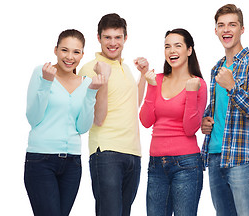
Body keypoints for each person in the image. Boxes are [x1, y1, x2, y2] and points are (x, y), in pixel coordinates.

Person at [24, 29, 104, 216]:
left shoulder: (86, 83)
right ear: (56, 50)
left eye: (76, 52)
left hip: (72, 164)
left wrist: (92, 92)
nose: (70, 57)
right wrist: (46, 82)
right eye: (64, 50)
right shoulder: (41, 73)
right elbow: (33, 118)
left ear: (82, 54)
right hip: (40, 159)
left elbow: (82, 128)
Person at [200, 4, 249, 216]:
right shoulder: (216, 68)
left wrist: (232, 86)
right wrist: (205, 120)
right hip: (215, 155)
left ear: (242, 29)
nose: (226, 30)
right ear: (215, 31)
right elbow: (216, 108)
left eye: (232, 24)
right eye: (221, 25)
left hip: (242, 157)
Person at [78, 13, 149, 216]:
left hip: (133, 153)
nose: (112, 43)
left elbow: (134, 102)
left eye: (117, 37)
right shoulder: (90, 68)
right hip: (106, 151)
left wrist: (143, 75)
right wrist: (103, 79)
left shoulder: (125, 67)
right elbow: (96, 117)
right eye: (107, 37)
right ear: (98, 38)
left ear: (125, 39)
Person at [139, 28, 207, 216]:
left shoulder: (198, 84)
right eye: (167, 46)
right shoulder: (157, 79)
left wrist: (191, 93)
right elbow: (146, 121)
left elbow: (191, 128)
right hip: (156, 164)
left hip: (186, 164)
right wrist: (152, 88)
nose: (172, 51)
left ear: (189, 50)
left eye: (178, 46)